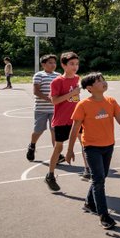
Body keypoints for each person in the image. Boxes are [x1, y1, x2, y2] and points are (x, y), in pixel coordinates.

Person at [66, 72, 120, 230]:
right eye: (99, 81)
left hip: (109, 145)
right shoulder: (83, 105)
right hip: (91, 147)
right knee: (99, 180)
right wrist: (69, 150)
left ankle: (90, 203)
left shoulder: (111, 101)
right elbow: (75, 129)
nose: (103, 82)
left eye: (103, 79)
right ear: (89, 88)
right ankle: (103, 215)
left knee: (100, 176)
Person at [44, 51, 81, 191]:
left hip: (76, 119)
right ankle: (50, 175)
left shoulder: (77, 78)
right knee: (58, 148)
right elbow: (54, 101)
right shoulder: (57, 81)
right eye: (71, 64)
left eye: (76, 64)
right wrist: (72, 93)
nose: (75, 66)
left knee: (85, 142)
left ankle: (89, 171)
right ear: (63, 65)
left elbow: (77, 99)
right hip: (61, 120)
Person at [26, 54, 58, 162]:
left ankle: (57, 153)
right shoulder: (39, 75)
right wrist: (49, 99)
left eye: (54, 62)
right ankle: (32, 145)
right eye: (50, 62)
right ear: (43, 64)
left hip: (55, 109)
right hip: (41, 108)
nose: (53, 64)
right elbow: (36, 91)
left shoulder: (58, 75)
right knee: (38, 130)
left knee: (55, 131)